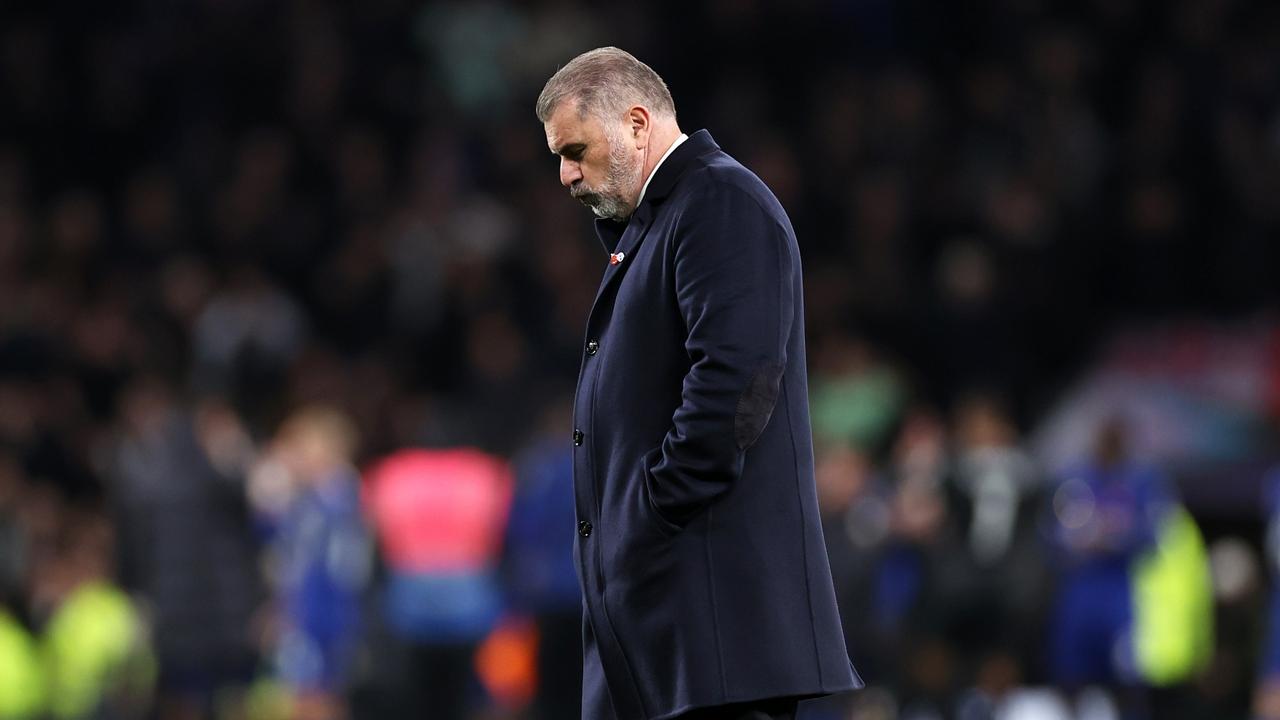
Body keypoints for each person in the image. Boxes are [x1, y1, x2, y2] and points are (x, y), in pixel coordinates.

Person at [536, 47, 862, 720]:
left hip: (713, 624)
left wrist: (650, 514)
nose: (566, 175)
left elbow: (739, 381)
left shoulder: (718, 201)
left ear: (634, 122)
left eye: (575, 150)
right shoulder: (659, 223)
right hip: (670, 628)